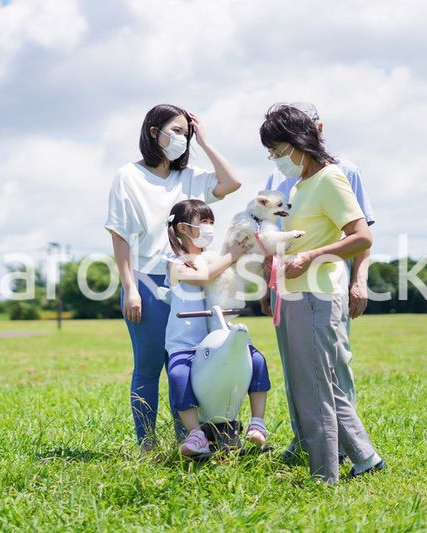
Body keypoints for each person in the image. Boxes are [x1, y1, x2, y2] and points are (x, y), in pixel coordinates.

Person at [104, 104, 242, 452]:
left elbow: (232, 182)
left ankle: (191, 440)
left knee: (191, 364)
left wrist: (206, 141)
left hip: (192, 282)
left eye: (186, 133)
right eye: (176, 131)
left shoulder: (191, 177)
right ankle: (147, 446)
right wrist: (130, 289)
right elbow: (119, 238)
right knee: (149, 368)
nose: (182, 139)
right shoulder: (128, 176)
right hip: (148, 283)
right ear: (154, 132)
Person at [260, 104, 385, 483]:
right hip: (295, 295)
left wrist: (310, 258)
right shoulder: (300, 186)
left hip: (318, 294)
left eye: (280, 151)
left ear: (302, 142)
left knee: (313, 387)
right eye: (271, 153)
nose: (276, 160)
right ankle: (365, 459)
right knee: (318, 382)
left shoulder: (331, 178)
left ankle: (324, 475)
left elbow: (361, 236)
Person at [163, 199, 271, 456]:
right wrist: (232, 255)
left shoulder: (214, 257)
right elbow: (203, 276)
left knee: (257, 361)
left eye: (213, 222)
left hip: (220, 335)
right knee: (178, 376)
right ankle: (195, 434)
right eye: (204, 223)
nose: (210, 228)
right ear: (183, 228)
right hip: (185, 343)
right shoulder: (174, 262)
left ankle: (257, 422)